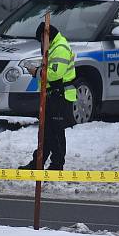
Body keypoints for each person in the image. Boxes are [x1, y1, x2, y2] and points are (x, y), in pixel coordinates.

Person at [19, 22, 77, 171]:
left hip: (60, 96)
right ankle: (38, 162)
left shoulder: (60, 48)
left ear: (46, 37)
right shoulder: (54, 47)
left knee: (56, 132)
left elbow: (55, 74)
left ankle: (57, 165)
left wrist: (36, 72)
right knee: (45, 132)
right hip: (53, 95)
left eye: (41, 40)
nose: (41, 44)